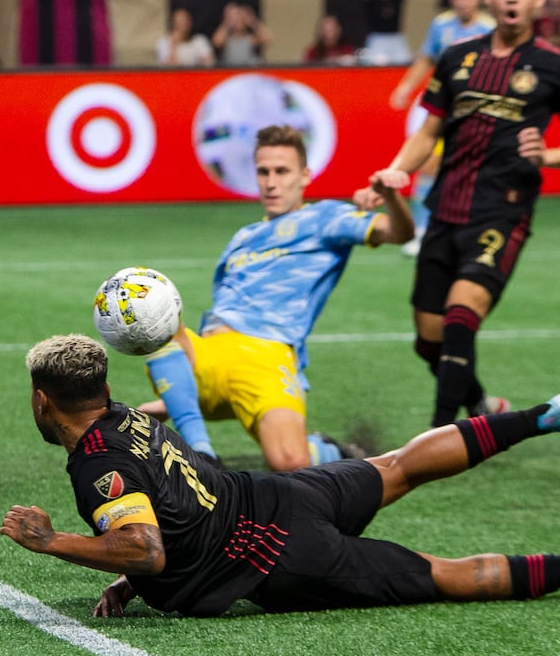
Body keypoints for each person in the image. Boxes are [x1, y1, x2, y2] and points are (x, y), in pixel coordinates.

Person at [1, 333, 560, 618]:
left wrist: (50, 540)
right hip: (276, 493)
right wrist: (133, 580)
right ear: (104, 386)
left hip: (277, 556)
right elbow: (172, 506)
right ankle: (547, 414)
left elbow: (147, 544)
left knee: (443, 575)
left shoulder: (95, 467)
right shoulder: (125, 418)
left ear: (41, 401)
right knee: (399, 462)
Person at [358, 0, 560, 428]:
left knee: (461, 319)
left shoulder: (556, 65)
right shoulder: (456, 58)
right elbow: (428, 133)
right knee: (429, 339)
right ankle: (481, 408)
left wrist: (546, 155)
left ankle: (440, 436)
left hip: (502, 215)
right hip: (445, 209)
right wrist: (396, 170)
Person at [137, 124, 414, 471]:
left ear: (305, 176)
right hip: (211, 354)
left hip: (267, 356)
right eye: (263, 172)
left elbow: (400, 232)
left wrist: (390, 196)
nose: (271, 182)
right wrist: (183, 391)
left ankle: (324, 449)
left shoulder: (325, 217)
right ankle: (202, 453)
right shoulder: (243, 236)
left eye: (282, 171)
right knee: (150, 307)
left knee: (290, 463)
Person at [389, 0, 497, 257]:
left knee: (474, 170)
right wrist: (406, 87)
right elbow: (426, 58)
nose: (463, 3)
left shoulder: (490, 28)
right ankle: (423, 230)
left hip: (476, 112)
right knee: (429, 166)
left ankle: (475, 231)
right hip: (443, 109)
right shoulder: (441, 25)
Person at [210, 2, 272, 66]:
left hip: (248, 71)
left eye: (241, 18)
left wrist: (252, 21)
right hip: (230, 70)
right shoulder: (226, 39)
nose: (238, 21)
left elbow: (267, 38)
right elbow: (217, 42)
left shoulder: (250, 38)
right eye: (236, 18)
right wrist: (227, 22)